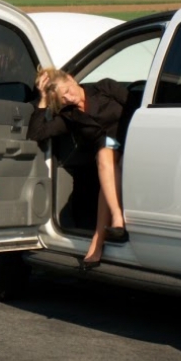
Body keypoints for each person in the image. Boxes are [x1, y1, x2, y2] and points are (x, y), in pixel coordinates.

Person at [27, 68, 136, 267]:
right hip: (109, 156)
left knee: (106, 163)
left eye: (68, 90)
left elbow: (135, 106)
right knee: (105, 161)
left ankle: (100, 238)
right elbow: (37, 133)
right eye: (62, 98)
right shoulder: (70, 116)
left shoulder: (104, 87)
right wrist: (43, 99)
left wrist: (128, 146)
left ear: (70, 78)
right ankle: (115, 222)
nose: (68, 97)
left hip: (133, 138)